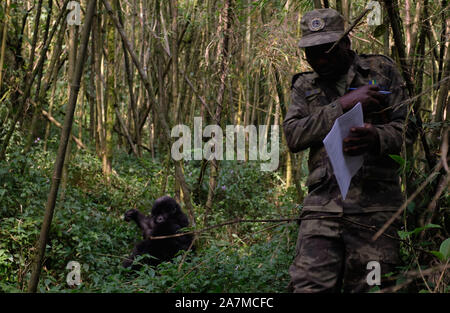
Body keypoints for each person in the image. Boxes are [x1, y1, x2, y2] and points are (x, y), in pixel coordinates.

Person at [283, 8, 416, 292]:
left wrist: (377, 137)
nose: (319, 59)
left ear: (346, 43)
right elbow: (293, 136)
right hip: (321, 211)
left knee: (372, 287)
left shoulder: (381, 71)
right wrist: (343, 105)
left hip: (375, 212)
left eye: (327, 50)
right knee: (308, 286)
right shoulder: (305, 86)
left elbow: (408, 130)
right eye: (311, 52)